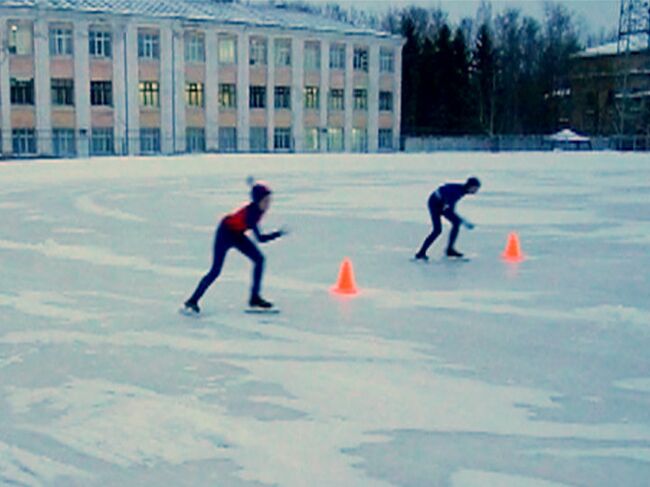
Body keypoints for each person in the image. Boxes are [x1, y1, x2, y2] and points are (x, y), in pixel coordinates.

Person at [184, 181, 286, 314]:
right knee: (215, 271)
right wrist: (278, 234)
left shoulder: (257, 208)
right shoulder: (252, 215)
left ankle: (254, 298)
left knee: (259, 260)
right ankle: (192, 301)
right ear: (258, 201)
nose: (268, 204)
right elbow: (260, 239)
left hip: (237, 234)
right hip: (225, 233)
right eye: (266, 200)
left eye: (269, 200)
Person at [415, 177, 481, 260]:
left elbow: (449, 203)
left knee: (456, 223)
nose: (476, 191)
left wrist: (461, 220)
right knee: (437, 230)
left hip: (442, 202)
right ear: (470, 186)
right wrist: (464, 222)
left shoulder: (462, 190)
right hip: (435, 203)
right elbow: (448, 205)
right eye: (476, 188)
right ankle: (421, 253)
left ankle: (450, 250)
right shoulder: (457, 191)